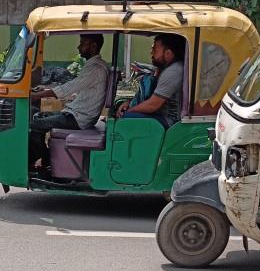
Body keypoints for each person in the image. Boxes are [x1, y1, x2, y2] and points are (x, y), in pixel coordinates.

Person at [28, 34, 109, 170]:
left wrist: (38, 95)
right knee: (38, 116)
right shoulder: (94, 66)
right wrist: (43, 91)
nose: (78, 47)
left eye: (83, 43)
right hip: (76, 113)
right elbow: (74, 86)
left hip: (78, 118)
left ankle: (44, 158)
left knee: (34, 125)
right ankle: (44, 158)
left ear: (93, 46)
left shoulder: (96, 69)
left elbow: (69, 88)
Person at [116, 34, 185, 128]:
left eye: (155, 49)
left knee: (127, 118)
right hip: (159, 115)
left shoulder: (173, 71)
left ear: (168, 53)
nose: (151, 53)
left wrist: (130, 110)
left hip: (168, 121)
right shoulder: (164, 69)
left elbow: (153, 105)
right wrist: (129, 103)